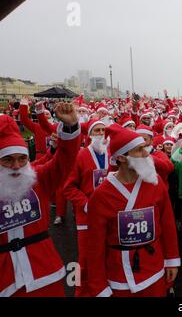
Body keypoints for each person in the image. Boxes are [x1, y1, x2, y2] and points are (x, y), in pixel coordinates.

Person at [86, 124, 180, 297]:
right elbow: (94, 246)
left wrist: (172, 260)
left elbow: (167, 224)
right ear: (121, 157)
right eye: (139, 150)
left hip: (154, 268)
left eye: (144, 147)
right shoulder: (101, 195)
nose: (146, 153)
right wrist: (98, 285)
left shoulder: (154, 181)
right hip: (119, 276)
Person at [0, 103, 81, 297]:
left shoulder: (36, 178)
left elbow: (64, 161)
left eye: (22, 159)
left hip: (46, 274)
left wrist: (70, 128)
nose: (16, 166)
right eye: (7, 160)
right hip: (6, 281)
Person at [62, 119, 108, 296]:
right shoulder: (81, 156)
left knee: (106, 256)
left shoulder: (111, 153)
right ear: (89, 135)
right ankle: (80, 291)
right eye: (97, 130)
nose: (101, 133)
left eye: (103, 130)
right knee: (84, 260)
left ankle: (102, 289)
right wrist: (86, 204)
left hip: (108, 216)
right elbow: (68, 188)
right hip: (87, 217)